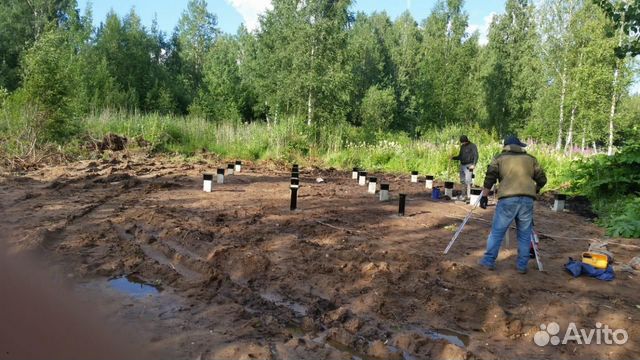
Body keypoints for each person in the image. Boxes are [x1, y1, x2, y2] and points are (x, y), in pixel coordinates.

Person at [478, 135, 547, 274]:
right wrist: (536, 189)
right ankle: (522, 266)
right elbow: (542, 179)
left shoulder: (499, 158)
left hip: (507, 199)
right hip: (527, 200)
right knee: (524, 234)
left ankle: (488, 261)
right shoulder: (531, 159)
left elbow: (490, 177)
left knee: (497, 232)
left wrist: (484, 196)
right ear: (519, 146)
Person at [451, 135, 478, 199]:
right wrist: (453, 158)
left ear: (466, 141)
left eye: (463, 142)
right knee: (462, 181)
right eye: (462, 142)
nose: (462, 143)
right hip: (462, 165)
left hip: (469, 165)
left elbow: (476, 155)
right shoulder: (462, 146)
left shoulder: (473, 146)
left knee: (468, 181)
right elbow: (460, 156)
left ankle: (469, 196)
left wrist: (473, 165)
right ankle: (463, 195)